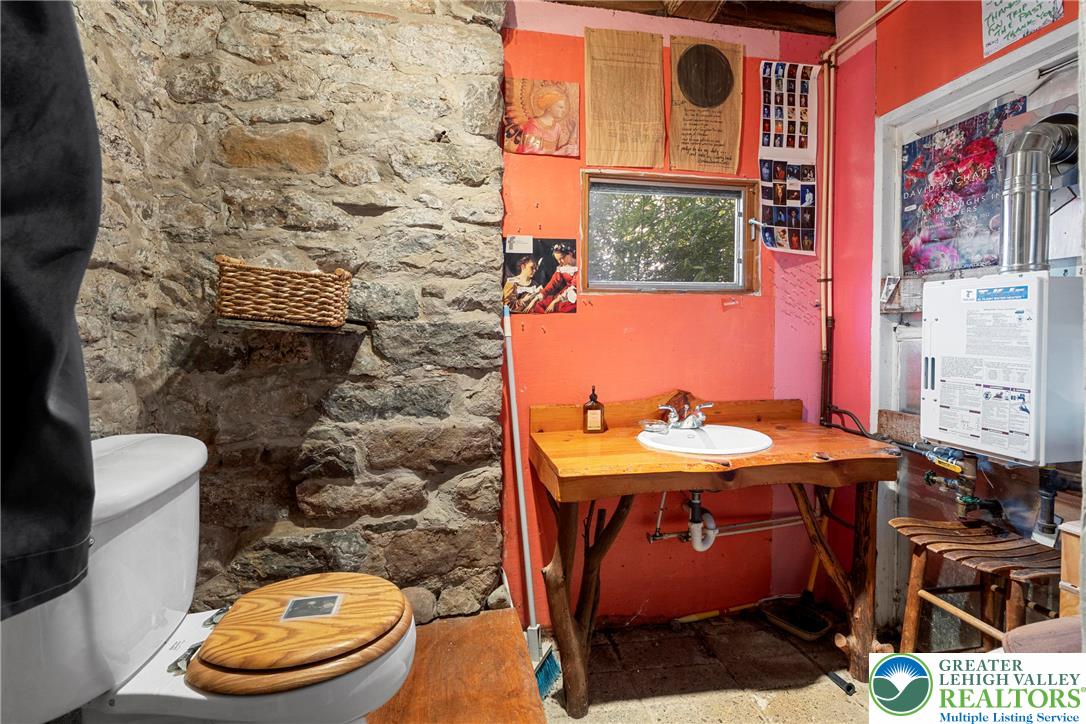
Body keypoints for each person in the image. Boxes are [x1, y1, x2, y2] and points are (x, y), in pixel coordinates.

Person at [516, 90, 576, 156]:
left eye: (563, 108)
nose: (563, 110)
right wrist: (555, 153)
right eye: (560, 107)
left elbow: (561, 150)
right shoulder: (534, 124)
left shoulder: (557, 127)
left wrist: (573, 132)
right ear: (549, 107)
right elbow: (531, 150)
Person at [534, 245, 578, 313]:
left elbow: (574, 287)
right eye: (557, 260)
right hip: (563, 293)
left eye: (561, 258)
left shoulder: (579, 267)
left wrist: (554, 301)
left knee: (562, 308)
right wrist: (538, 297)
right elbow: (552, 283)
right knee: (540, 304)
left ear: (570, 254)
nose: (560, 262)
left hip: (573, 294)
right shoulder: (561, 268)